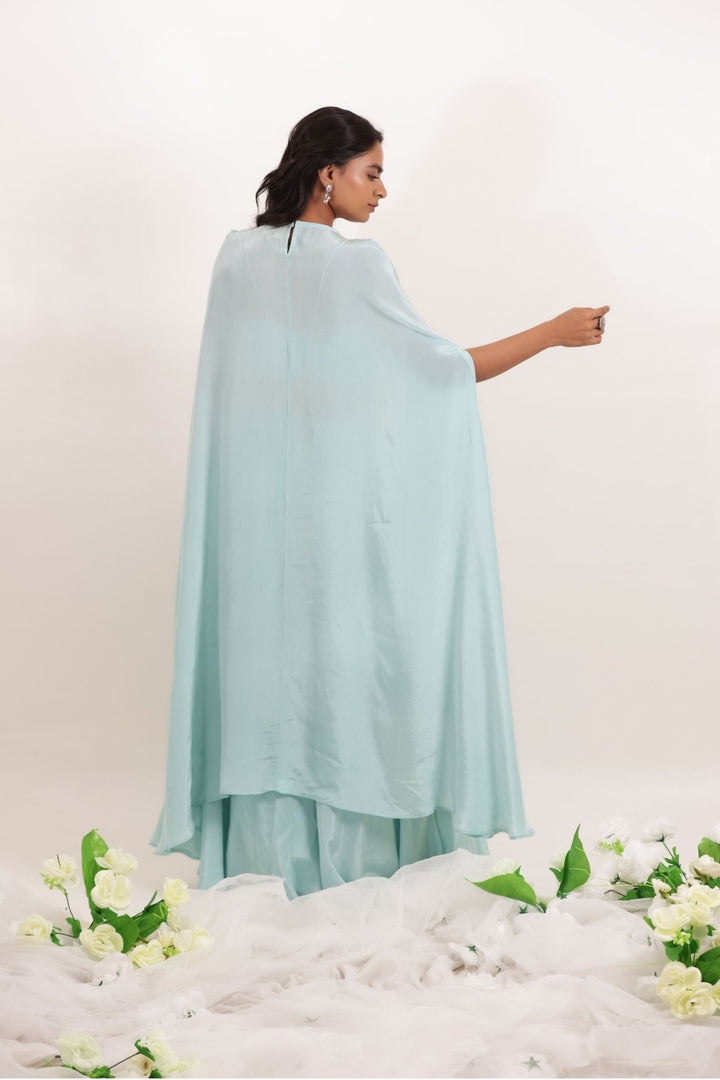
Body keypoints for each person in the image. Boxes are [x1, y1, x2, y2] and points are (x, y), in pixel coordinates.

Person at [150, 106, 609, 900]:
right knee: (348, 676)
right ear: (327, 174)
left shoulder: (234, 260)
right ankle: (362, 866)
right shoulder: (356, 266)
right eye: (373, 172)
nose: (383, 190)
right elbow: (442, 370)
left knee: (267, 680)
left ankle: (260, 867)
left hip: (250, 529)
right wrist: (552, 332)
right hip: (334, 524)